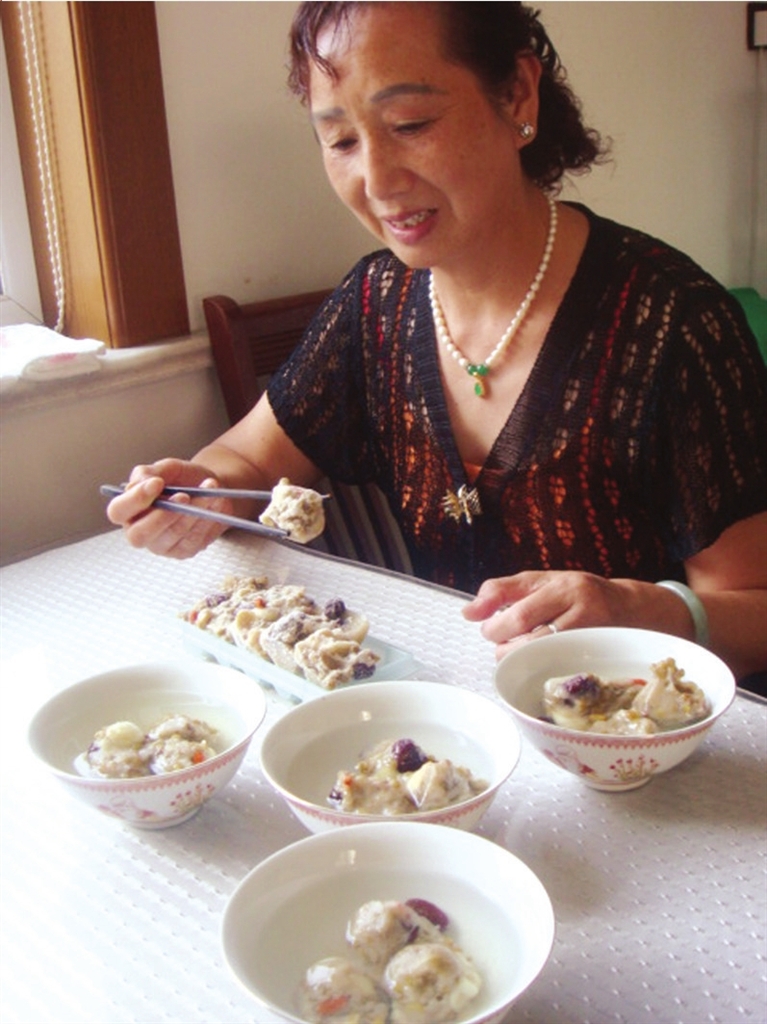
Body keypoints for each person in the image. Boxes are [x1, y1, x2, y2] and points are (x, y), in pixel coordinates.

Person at [108, 2, 767, 685]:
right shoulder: (375, 304)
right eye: (340, 141)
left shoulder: (671, 323)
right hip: (446, 717)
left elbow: (757, 609)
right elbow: (247, 458)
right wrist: (202, 493)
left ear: (517, 93)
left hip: (643, 733)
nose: (376, 181)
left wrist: (641, 611)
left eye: (410, 124)